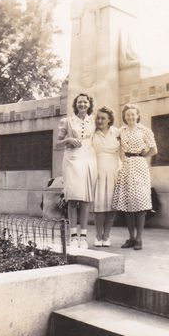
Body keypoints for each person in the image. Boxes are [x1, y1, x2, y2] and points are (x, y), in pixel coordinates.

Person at [112, 104, 158, 250]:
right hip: (126, 166)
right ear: (124, 117)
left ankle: (139, 238)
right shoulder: (121, 131)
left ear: (138, 115)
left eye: (133, 114)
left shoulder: (145, 130)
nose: (130, 117)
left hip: (139, 166)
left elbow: (154, 150)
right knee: (127, 205)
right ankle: (131, 237)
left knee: (140, 203)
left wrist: (143, 154)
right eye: (127, 115)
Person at [56, 93, 97, 249]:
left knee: (86, 199)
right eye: (79, 102)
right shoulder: (67, 121)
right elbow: (57, 143)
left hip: (88, 159)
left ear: (89, 104)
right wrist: (68, 140)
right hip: (72, 160)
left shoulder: (93, 121)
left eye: (85, 102)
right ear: (75, 104)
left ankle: (84, 237)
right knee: (73, 199)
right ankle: (73, 236)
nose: (82, 105)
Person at [92, 107, 121, 247]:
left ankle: (106, 235)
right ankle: (98, 236)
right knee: (99, 205)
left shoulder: (117, 132)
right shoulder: (93, 133)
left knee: (111, 205)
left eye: (103, 118)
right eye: (98, 118)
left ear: (109, 119)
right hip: (98, 170)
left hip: (114, 170)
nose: (100, 120)